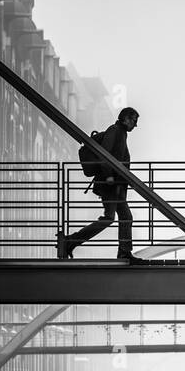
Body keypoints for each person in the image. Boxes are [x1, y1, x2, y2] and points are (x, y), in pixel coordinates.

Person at [59, 106, 139, 260]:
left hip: (116, 186)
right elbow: (105, 154)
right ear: (126, 119)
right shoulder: (115, 131)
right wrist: (109, 175)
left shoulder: (120, 133)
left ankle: (123, 250)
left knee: (124, 216)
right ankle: (70, 241)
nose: (135, 125)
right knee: (111, 218)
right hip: (110, 185)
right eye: (134, 121)